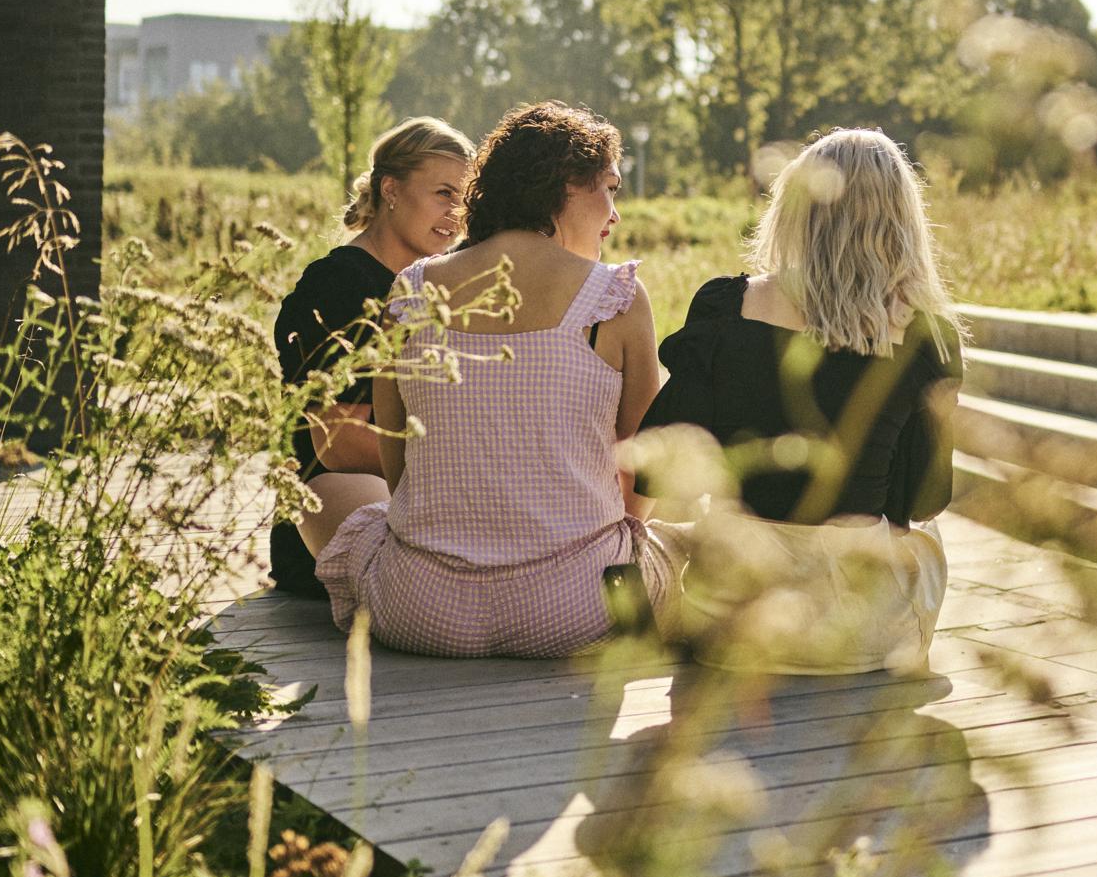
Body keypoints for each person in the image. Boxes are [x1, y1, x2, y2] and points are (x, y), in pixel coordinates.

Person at [306, 100, 668, 658]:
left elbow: (399, 468)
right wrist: (622, 538)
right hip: (577, 614)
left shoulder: (411, 287)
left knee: (331, 494)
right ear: (567, 185)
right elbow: (648, 456)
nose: (614, 214)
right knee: (693, 537)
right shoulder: (614, 297)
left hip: (420, 609)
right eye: (610, 189)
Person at [636, 127, 964, 675]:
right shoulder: (926, 338)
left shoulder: (726, 308)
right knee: (925, 538)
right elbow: (921, 501)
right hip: (858, 637)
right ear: (903, 222)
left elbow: (656, 472)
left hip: (731, 620)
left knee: (675, 537)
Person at [269, 116, 474, 599]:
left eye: (465, 200)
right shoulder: (338, 283)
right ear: (392, 190)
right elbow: (338, 443)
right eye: (444, 193)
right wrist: (462, 465)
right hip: (333, 530)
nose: (456, 213)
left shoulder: (434, 287)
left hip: (423, 505)